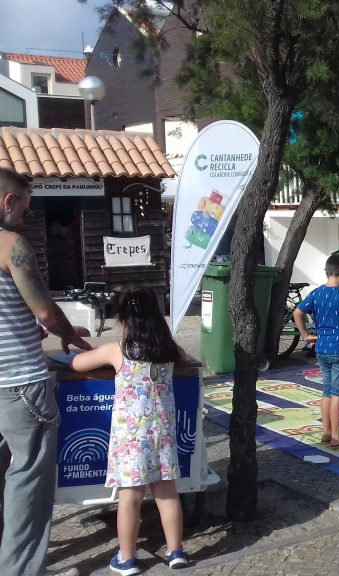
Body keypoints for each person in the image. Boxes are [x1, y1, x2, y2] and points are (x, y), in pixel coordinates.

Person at [0, 167, 91, 576]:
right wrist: (66, 332)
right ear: (9, 201)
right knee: (28, 484)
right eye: (26, 209)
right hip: (19, 383)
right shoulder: (11, 245)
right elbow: (44, 310)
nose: (26, 218)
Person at [67, 287, 188, 574]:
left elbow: (76, 364)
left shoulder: (117, 349)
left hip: (132, 437)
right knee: (167, 493)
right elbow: (184, 356)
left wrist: (76, 350)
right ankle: (176, 552)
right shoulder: (168, 349)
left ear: (124, 320)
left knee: (129, 497)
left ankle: (127, 558)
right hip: (164, 433)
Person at [295, 253, 339, 448]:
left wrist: (305, 334)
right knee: (338, 394)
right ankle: (337, 436)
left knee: (326, 391)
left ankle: (326, 432)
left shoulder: (317, 293)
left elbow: (297, 312)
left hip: (322, 349)